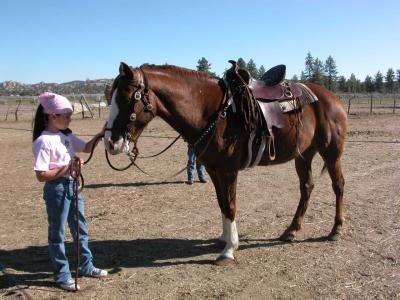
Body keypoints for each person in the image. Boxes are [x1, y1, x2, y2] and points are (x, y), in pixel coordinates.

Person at [32, 92, 107, 291]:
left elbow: (87, 148)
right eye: (66, 115)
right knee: (57, 233)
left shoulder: (66, 137)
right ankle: (62, 275)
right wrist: (68, 168)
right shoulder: (43, 141)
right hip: (56, 189)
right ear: (52, 116)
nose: (70, 118)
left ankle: (86, 265)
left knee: (80, 228)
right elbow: (41, 175)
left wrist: (101, 134)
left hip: (72, 186)